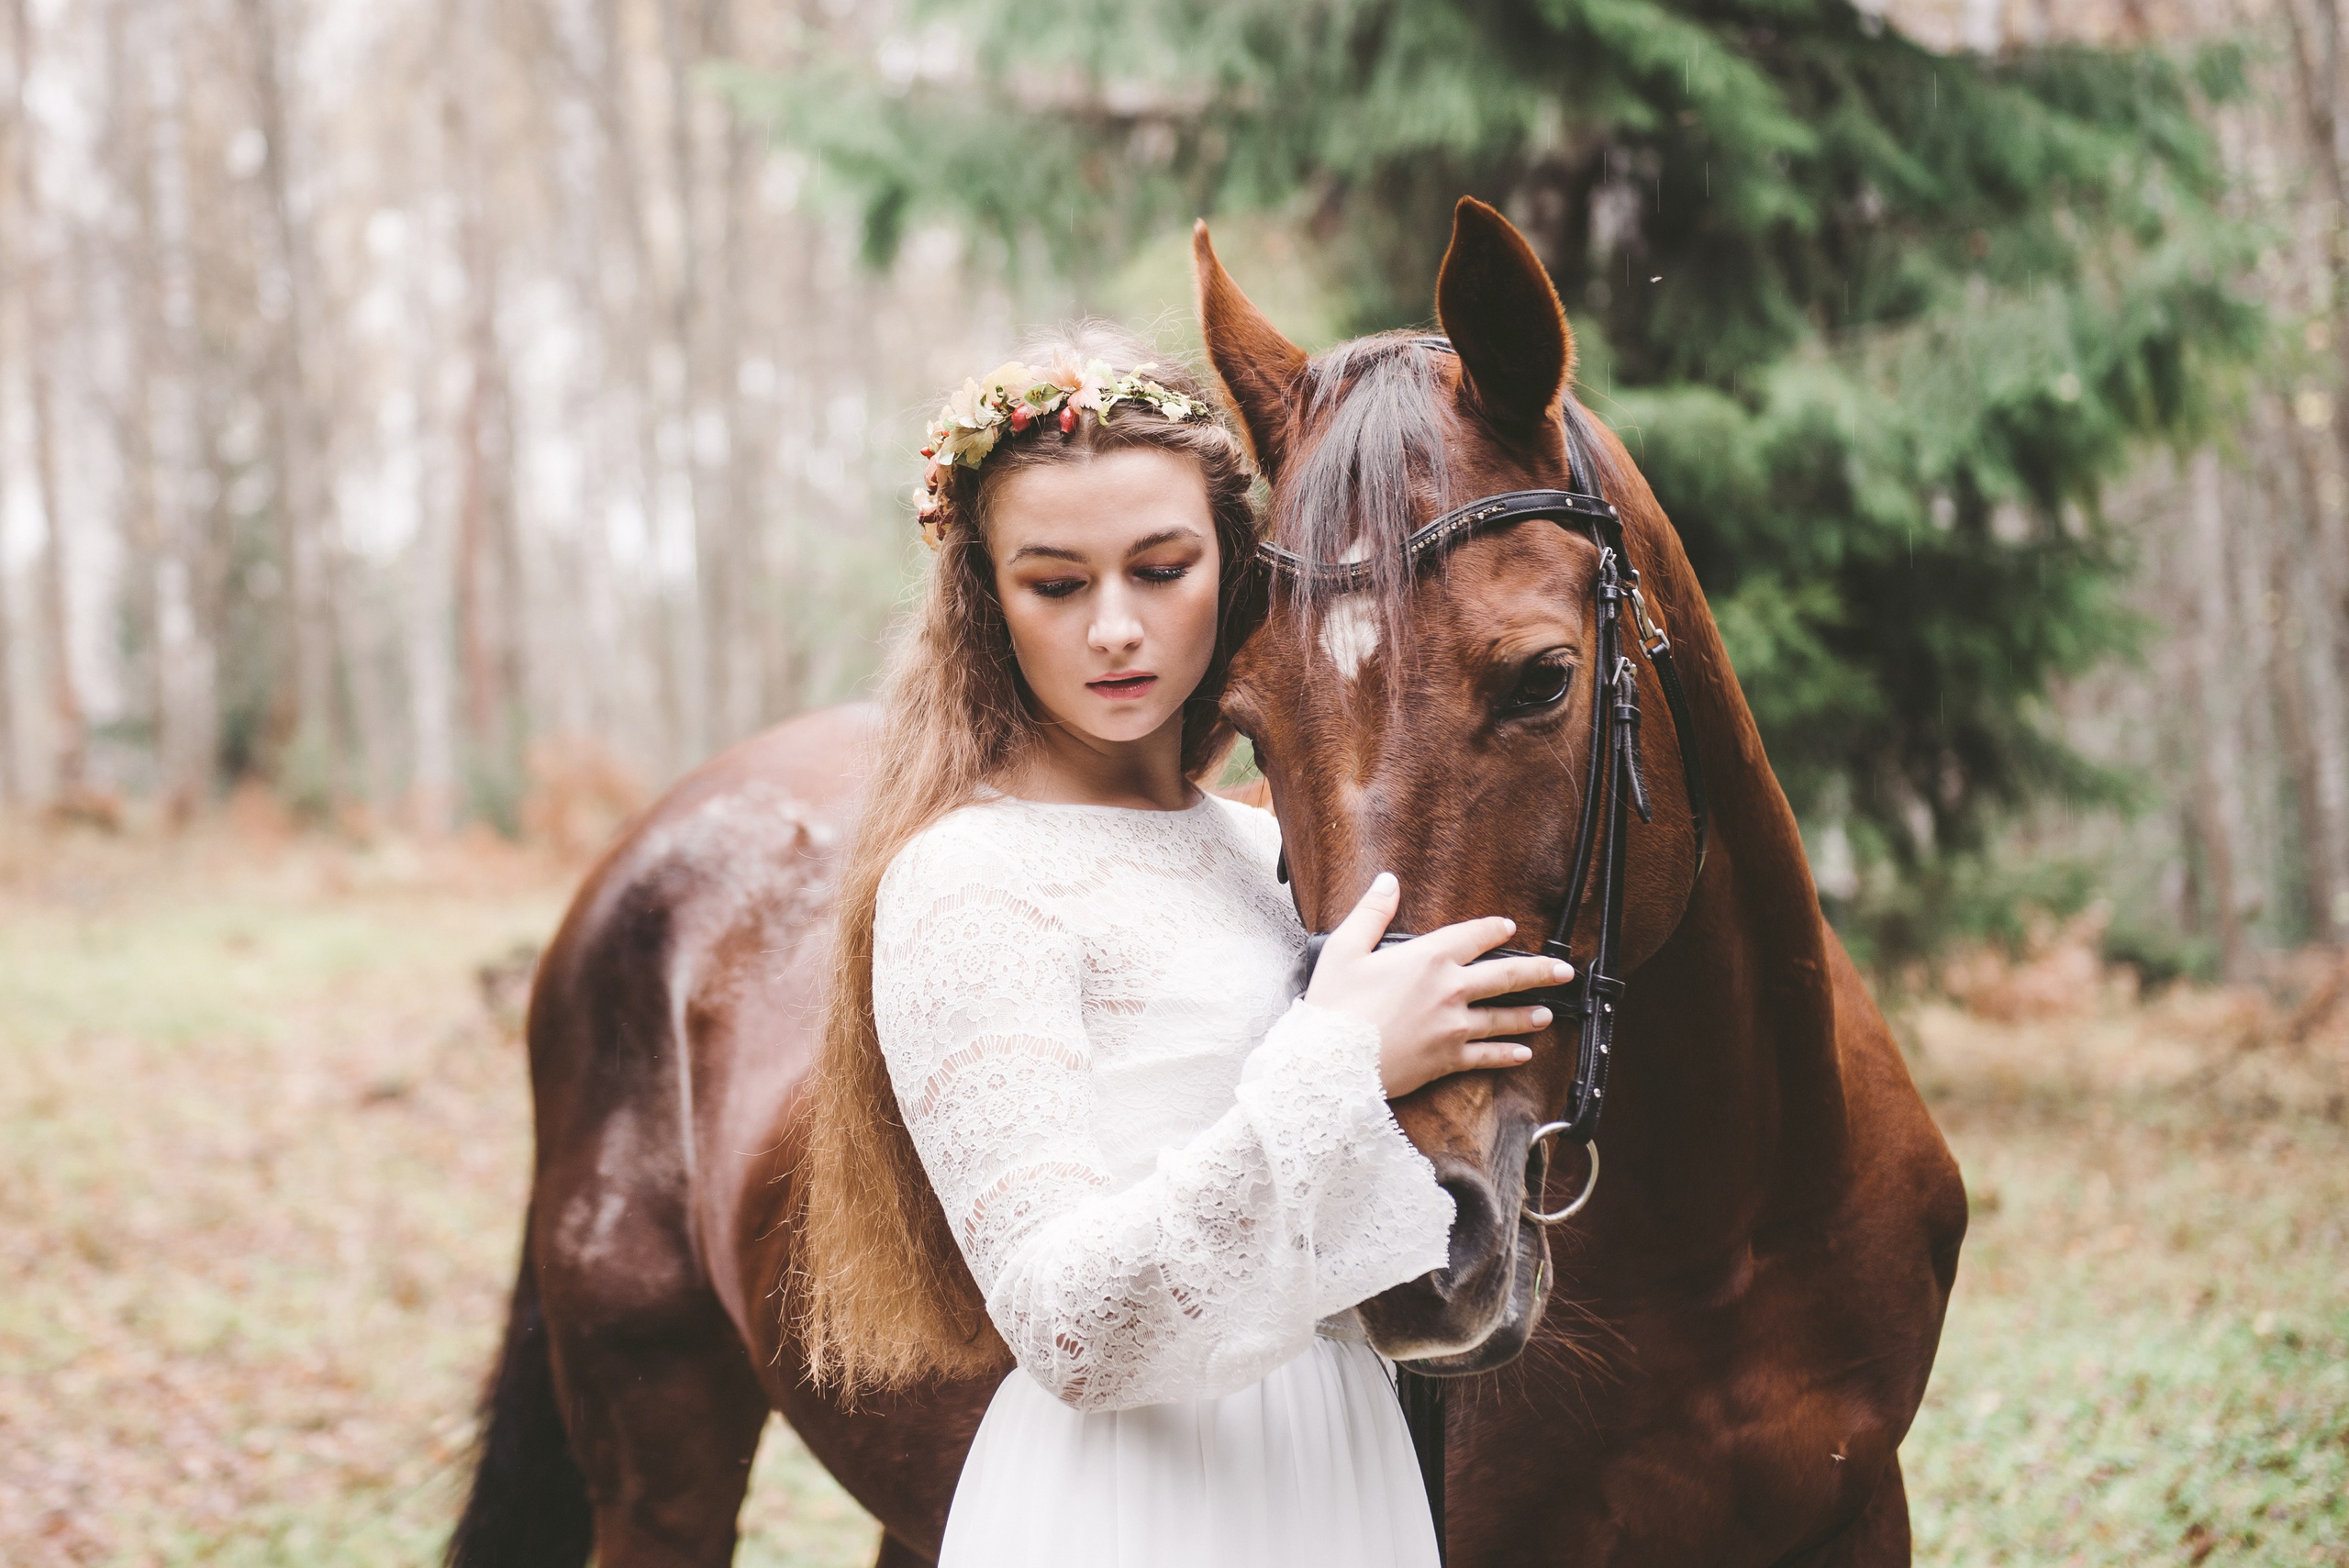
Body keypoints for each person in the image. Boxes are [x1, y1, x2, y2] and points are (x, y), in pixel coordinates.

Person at [793, 326, 1575, 1568]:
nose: (1116, 626)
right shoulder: (968, 878)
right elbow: (1070, 1329)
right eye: (1057, 584)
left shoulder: (1267, 849)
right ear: (989, 599)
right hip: (1132, 1502)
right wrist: (1344, 1058)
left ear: (1233, 562)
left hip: (1340, 1469)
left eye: (1161, 568)